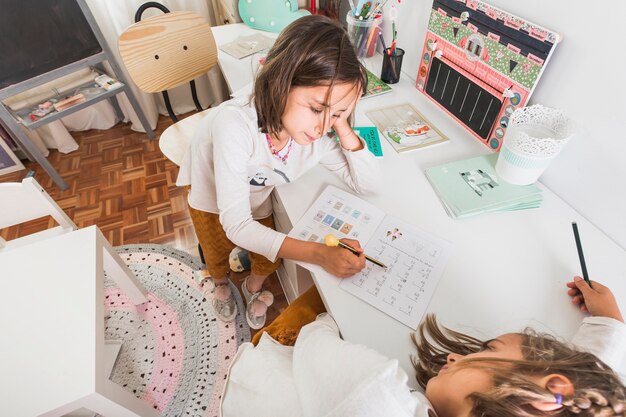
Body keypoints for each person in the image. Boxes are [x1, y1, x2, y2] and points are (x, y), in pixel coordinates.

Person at [176, 15, 381, 329]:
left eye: (338, 114)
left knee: (268, 255)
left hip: (255, 192)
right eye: (316, 108)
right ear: (280, 82)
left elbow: (369, 184)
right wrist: (320, 254)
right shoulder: (235, 124)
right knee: (216, 250)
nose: (323, 126)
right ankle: (220, 283)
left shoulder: (316, 137)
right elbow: (236, 225)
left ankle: (253, 287)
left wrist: (342, 123)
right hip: (210, 194)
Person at [220, 276, 626, 417]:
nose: (454, 354)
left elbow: (313, 343)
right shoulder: (555, 406)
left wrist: (327, 318)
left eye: (487, 348)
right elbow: (582, 395)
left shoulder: (374, 392)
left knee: (316, 304)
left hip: (249, 389)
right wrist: (608, 320)